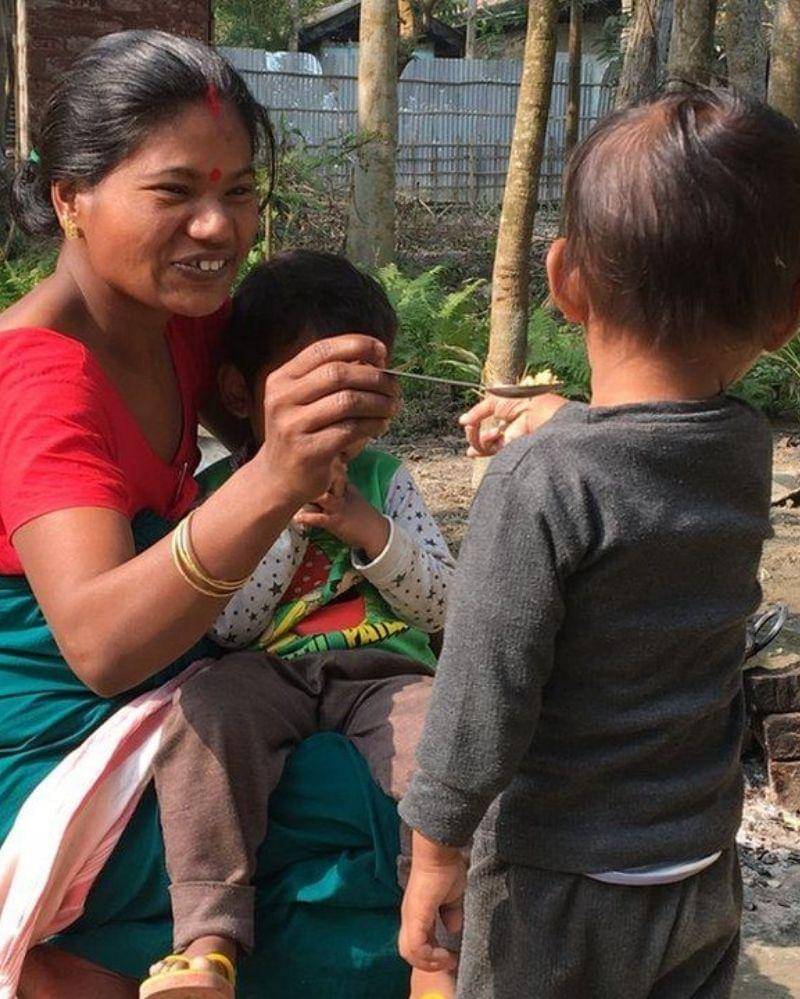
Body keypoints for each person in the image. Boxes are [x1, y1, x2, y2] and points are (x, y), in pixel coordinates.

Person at [0, 30, 405, 998]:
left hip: (195, 690)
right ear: (70, 200)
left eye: (240, 193)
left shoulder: (185, 324)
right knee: (370, 814)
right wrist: (274, 476)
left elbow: (316, 381)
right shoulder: (37, 377)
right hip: (61, 743)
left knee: (419, 767)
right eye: (174, 193)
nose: (219, 228)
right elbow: (100, 646)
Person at [398, 86, 800, 999]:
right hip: (697, 867)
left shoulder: (539, 482)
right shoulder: (743, 446)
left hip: (557, 888)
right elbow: (651, 450)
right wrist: (571, 418)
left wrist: (434, 855)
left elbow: (479, 698)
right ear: (785, 315)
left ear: (564, 279)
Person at [142, 250, 456, 999]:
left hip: (383, 667)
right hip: (266, 671)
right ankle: (208, 940)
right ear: (240, 393)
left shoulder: (386, 478)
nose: (338, 420)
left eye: (359, 395)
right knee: (202, 715)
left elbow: (446, 604)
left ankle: (439, 952)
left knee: (448, 736)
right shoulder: (221, 493)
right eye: (316, 395)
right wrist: (279, 507)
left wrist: (366, 529)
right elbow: (233, 627)